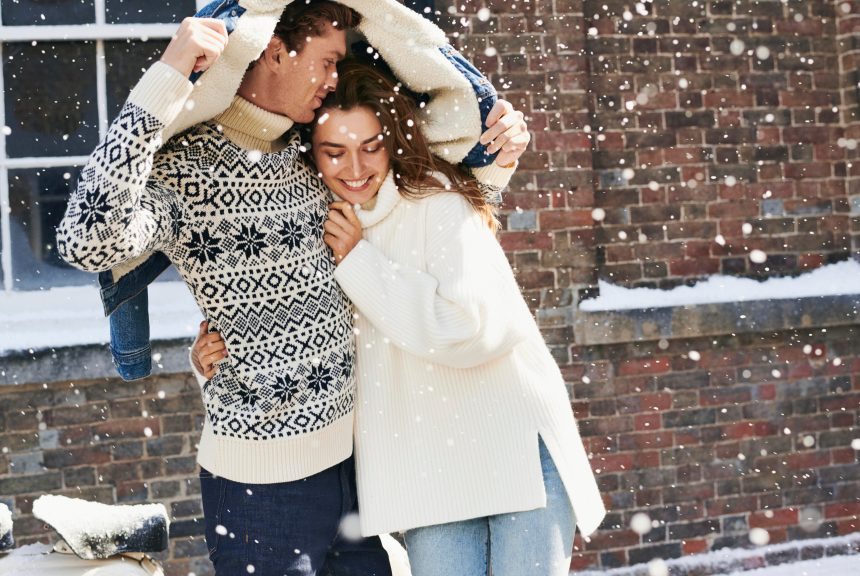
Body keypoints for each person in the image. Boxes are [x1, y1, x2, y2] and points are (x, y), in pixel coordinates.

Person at [57, 0, 530, 573]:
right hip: (260, 495)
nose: (334, 79)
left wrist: (498, 150)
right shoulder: (185, 168)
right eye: (327, 61)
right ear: (275, 51)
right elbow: (86, 241)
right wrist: (167, 77)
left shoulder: (315, 152)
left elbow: (423, 210)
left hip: (353, 475)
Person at [193, 57, 606, 576]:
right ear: (312, 156)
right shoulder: (311, 226)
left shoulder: (437, 199)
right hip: (423, 472)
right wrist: (213, 356)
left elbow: (472, 328)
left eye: (370, 147)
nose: (355, 168)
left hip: (515, 449)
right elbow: (284, 330)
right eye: (334, 152)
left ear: (391, 143)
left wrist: (359, 262)